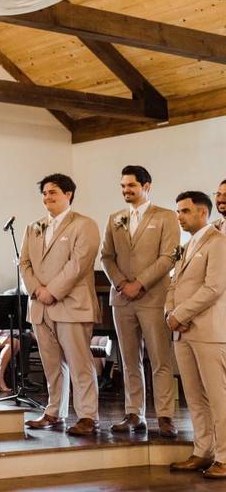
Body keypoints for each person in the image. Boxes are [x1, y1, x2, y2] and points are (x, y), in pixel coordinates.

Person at [100, 165, 179, 437]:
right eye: (122, 186)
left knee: (160, 358)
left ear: (147, 186)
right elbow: (106, 256)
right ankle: (134, 413)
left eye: (131, 186)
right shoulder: (115, 218)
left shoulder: (167, 216)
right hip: (121, 298)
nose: (126, 191)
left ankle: (166, 416)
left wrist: (140, 283)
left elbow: (169, 256)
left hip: (154, 296)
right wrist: (121, 283)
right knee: (128, 359)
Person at [21, 173, 101, 436]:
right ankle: (54, 411)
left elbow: (79, 264)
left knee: (79, 363)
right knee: (51, 364)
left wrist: (52, 291)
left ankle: (88, 415)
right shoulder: (33, 227)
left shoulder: (84, 225)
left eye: (53, 192)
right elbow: (24, 264)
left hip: (71, 304)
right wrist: (36, 290)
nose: (47, 197)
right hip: (40, 308)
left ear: (68, 194)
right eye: (44, 193)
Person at [166, 191, 226, 479]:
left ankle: (225, 457)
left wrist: (181, 314)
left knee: (218, 397)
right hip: (182, 332)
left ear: (203, 213)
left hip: (209, 331)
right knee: (194, 397)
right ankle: (203, 451)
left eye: (185, 211)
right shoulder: (186, 246)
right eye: (178, 211)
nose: (179, 216)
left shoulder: (219, 244)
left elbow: (214, 288)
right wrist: (169, 313)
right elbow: (173, 285)